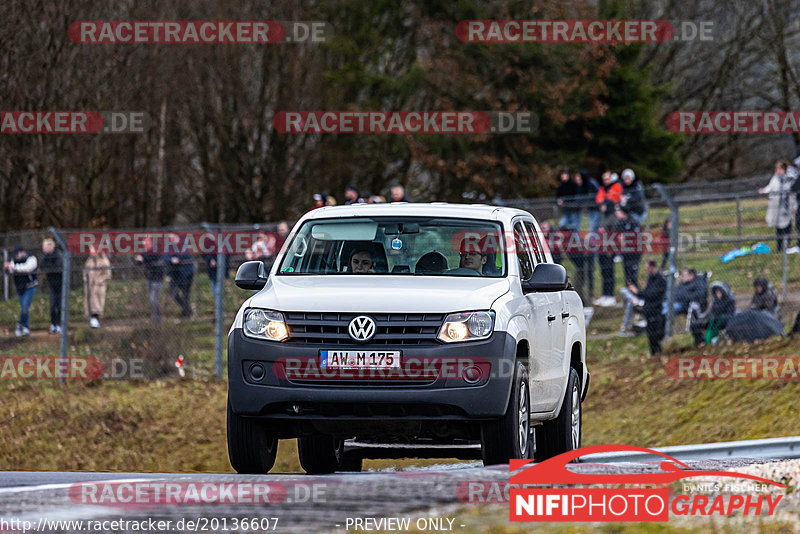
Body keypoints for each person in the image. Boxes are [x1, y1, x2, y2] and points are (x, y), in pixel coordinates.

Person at [593, 171, 623, 307]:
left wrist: (611, 247)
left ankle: (610, 295)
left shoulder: (612, 216)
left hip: (609, 246)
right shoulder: (602, 215)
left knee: (609, 271)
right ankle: (605, 295)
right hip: (602, 246)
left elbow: (613, 232)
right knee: (603, 271)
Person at [623, 260, 666, 354]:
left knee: (655, 334)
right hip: (649, 308)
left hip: (655, 309)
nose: (646, 271)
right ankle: (654, 353)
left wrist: (637, 292)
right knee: (650, 334)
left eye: (647, 268)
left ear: (652, 267)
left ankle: (658, 351)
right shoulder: (651, 278)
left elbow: (651, 294)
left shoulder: (660, 279)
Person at [759, 160, 797, 252]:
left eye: (780, 169)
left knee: (787, 228)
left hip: (788, 208)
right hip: (777, 208)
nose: (778, 171)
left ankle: (786, 247)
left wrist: (795, 206)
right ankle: (779, 248)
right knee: (779, 229)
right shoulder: (775, 179)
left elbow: (793, 194)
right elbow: (770, 187)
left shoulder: (790, 179)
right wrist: (763, 190)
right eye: (777, 169)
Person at [4, 246, 38, 337]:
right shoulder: (14, 260)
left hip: (30, 287)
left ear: (23, 252)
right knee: (24, 309)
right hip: (20, 288)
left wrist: (13, 267)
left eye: (18, 255)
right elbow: (10, 271)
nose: (16, 257)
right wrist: (7, 268)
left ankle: (20, 325)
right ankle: (25, 327)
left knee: (25, 307)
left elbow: (27, 268)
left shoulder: (31, 258)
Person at [691, 281, 736, 345]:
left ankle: (710, 341)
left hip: (722, 320)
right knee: (694, 325)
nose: (718, 293)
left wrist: (716, 317)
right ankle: (700, 342)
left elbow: (729, 314)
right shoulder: (716, 301)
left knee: (714, 321)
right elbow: (711, 312)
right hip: (711, 320)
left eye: (719, 291)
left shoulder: (730, 300)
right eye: (716, 292)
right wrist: (703, 317)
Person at [134, 237, 166, 323]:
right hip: (149, 278)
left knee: (153, 298)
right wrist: (137, 259)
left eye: (146, 242)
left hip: (157, 278)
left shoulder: (156, 250)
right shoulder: (145, 252)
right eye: (144, 243)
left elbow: (153, 258)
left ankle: (157, 318)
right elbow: (139, 263)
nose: (145, 244)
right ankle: (155, 317)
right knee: (152, 298)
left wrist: (143, 259)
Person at [166, 238, 195, 319]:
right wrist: (171, 259)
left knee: (185, 295)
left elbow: (186, 255)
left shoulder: (184, 244)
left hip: (186, 274)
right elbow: (164, 256)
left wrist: (177, 257)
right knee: (173, 293)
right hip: (175, 274)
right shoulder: (169, 245)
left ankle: (186, 314)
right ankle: (187, 310)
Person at [83, 246, 111, 328]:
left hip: (99, 286)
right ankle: (91, 319)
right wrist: (86, 279)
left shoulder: (104, 260)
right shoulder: (89, 260)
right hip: (89, 285)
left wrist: (99, 280)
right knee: (89, 302)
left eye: (93, 250)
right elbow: (85, 271)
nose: (91, 252)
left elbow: (108, 274)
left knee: (97, 302)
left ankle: (95, 319)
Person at [41, 238, 62, 334]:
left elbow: (58, 268)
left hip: (61, 285)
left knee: (60, 305)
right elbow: (42, 267)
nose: (43, 249)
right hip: (52, 285)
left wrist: (49, 269)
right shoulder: (45, 256)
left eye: (44, 246)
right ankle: (53, 324)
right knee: (52, 306)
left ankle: (60, 325)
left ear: (50, 246)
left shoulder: (59, 255)